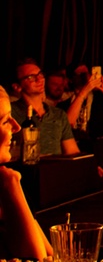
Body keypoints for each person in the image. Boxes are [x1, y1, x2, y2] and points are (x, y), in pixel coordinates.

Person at [0, 85, 52, 261]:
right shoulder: (6, 181)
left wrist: (11, 181)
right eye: (5, 121)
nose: (16, 127)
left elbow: (49, 254)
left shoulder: (6, 178)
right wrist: (11, 184)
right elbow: (38, 257)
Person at [10, 58, 80, 156]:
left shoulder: (59, 115)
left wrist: (89, 165)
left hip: (55, 170)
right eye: (31, 77)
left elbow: (72, 152)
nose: (39, 79)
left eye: (40, 74)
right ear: (17, 87)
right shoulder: (9, 113)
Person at [58, 62, 103, 151]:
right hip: (77, 149)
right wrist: (83, 92)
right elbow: (67, 124)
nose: (86, 77)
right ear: (71, 79)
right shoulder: (64, 104)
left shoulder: (101, 98)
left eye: (87, 73)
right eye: (81, 74)